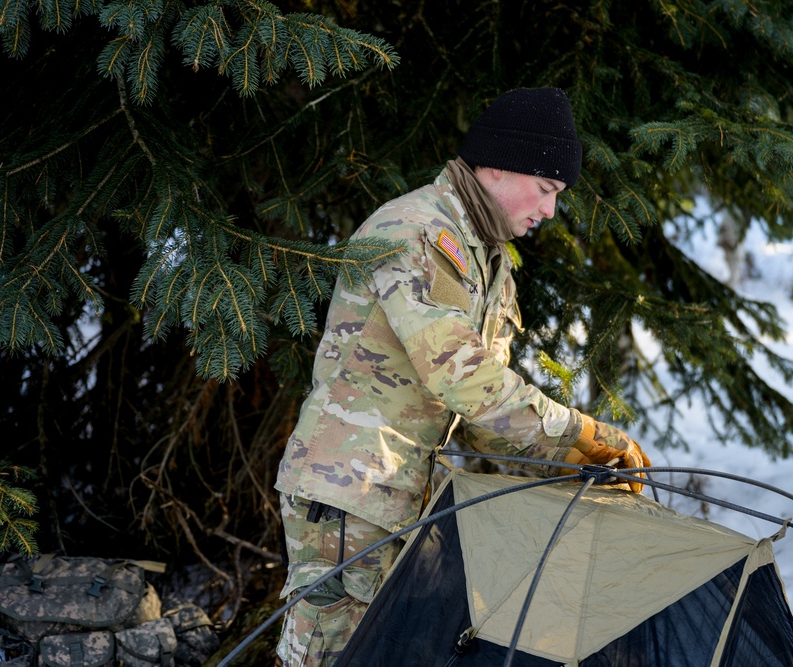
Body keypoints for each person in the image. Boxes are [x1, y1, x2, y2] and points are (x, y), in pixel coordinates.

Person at [273, 87, 652, 666]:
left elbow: (481, 419)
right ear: (499, 164)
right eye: (547, 189)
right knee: (334, 658)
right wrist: (578, 429)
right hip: (348, 491)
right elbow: (462, 376)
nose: (550, 211)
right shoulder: (415, 231)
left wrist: (574, 460)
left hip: (403, 500)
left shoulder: (490, 265)